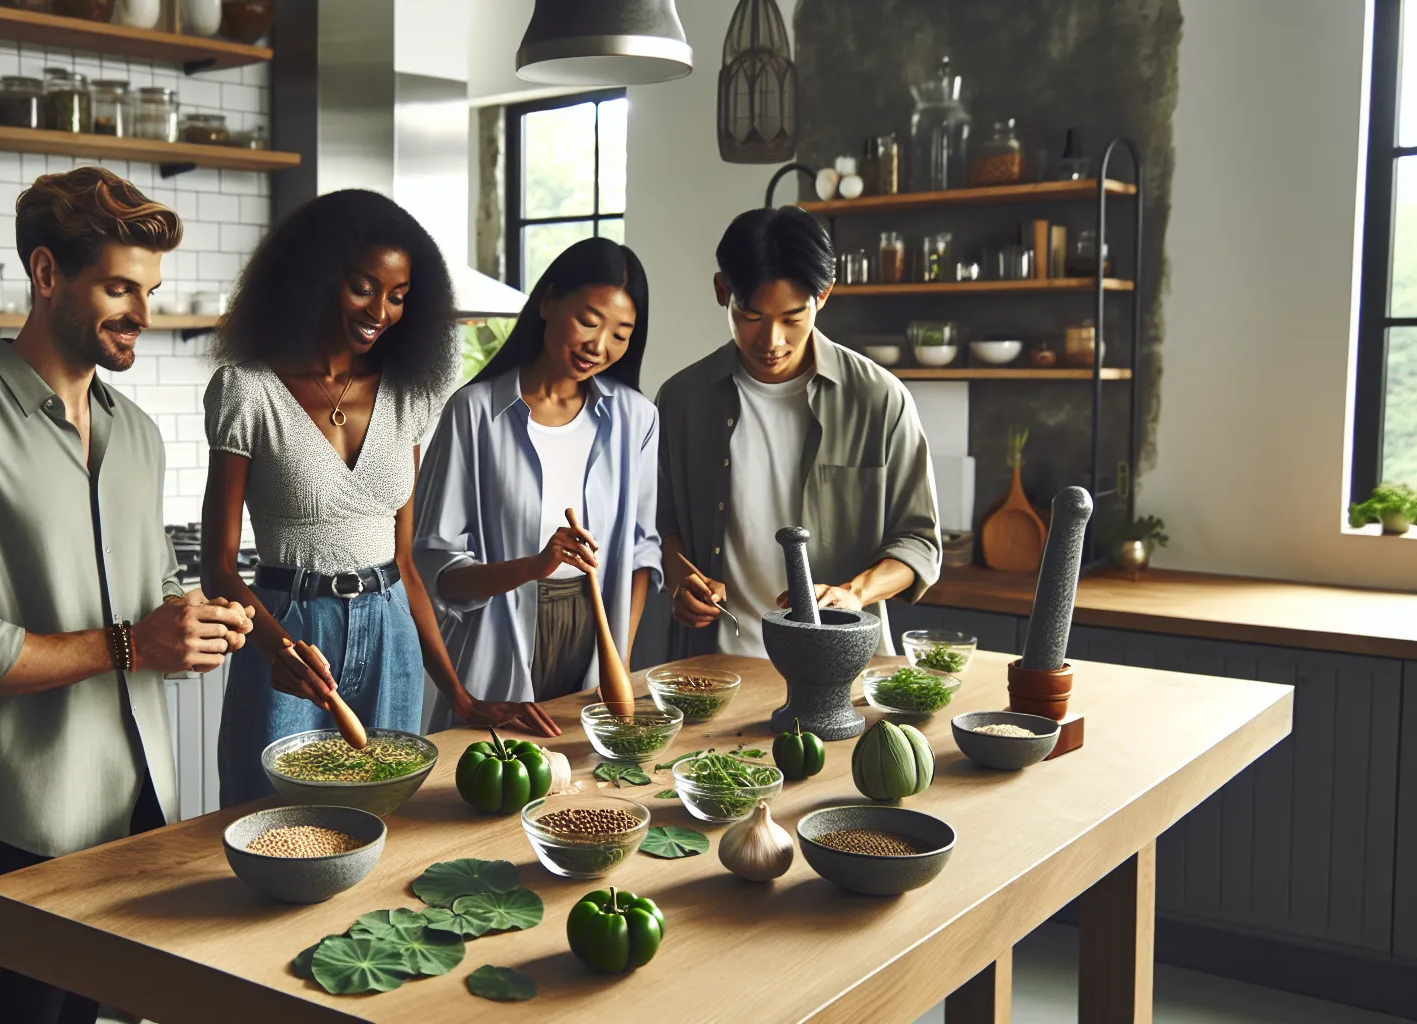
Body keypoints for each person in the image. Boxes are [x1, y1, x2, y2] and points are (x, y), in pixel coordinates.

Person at [0, 166, 254, 1024]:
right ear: (47, 274)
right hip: (13, 831)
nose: (144, 317)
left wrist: (189, 626)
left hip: (135, 817)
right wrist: (130, 644)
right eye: (121, 288)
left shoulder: (140, 435)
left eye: (150, 291)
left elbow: (150, 589)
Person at [201, 189, 560, 807]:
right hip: (292, 626)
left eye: (398, 296)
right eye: (364, 287)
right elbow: (219, 569)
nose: (382, 311)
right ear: (317, 278)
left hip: (391, 628)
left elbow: (408, 566)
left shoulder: (407, 395)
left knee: (387, 817)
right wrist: (274, 647)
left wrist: (462, 695)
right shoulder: (248, 391)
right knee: (275, 819)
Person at [656, 206, 941, 659]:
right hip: (716, 668)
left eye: (792, 318)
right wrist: (678, 581)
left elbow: (920, 544)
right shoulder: (680, 401)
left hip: (842, 663)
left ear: (823, 296)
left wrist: (855, 592)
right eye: (751, 316)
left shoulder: (878, 398)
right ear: (721, 291)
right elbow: (661, 527)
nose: (772, 340)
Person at [413, 237, 660, 728]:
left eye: (621, 333)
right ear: (547, 301)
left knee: (589, 791)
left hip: (597, 638)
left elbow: (641, 552)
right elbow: (432, 567)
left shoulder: (637, 418)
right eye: (589, 321)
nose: (599, 345)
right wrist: (533, 566)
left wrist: (619, 656)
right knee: (494, 784)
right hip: (499, 641)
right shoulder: (475, 413)